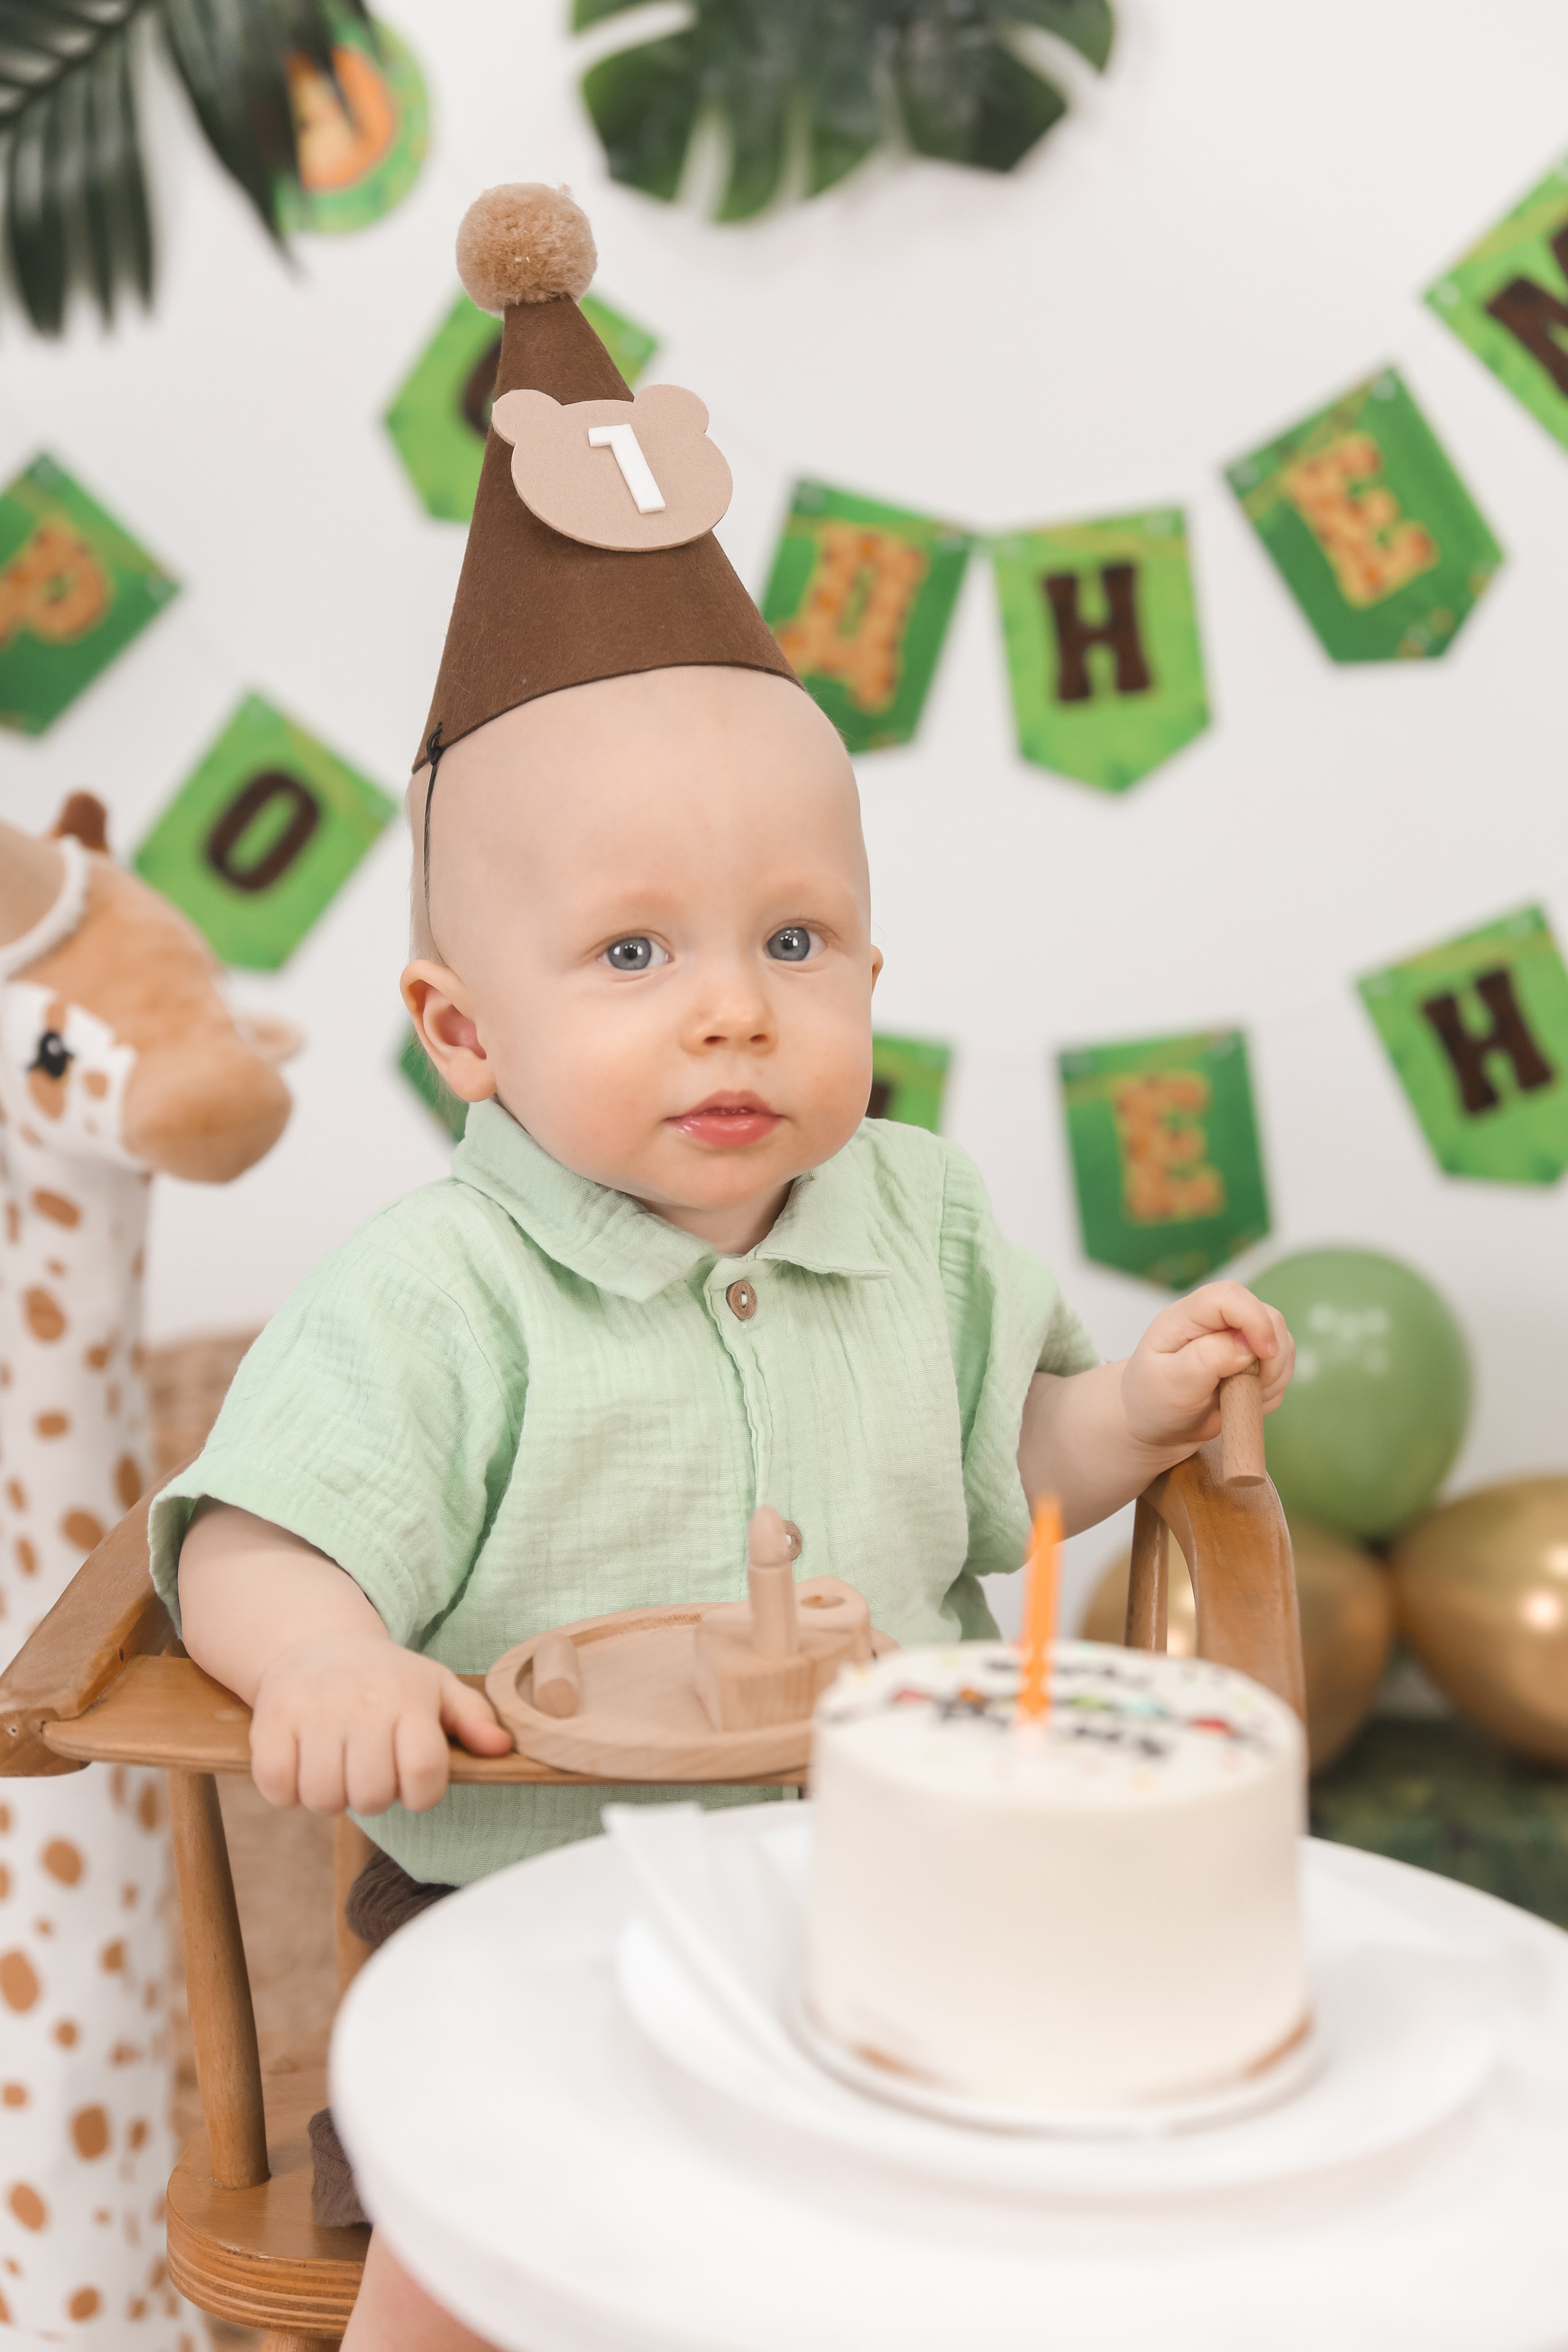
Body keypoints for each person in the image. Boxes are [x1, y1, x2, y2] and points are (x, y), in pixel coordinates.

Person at [149, 181, 1293, 2352]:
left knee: (999, 2209)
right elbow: (253, 1535)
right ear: (464, 1030)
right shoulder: (439, 1292)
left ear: (873, 963)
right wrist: (323, 1660)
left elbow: (1006, 1468)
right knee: (483, 2237)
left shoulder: (929, 1218)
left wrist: (1128, 1413)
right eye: (635, 952)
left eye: (792, 940)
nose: (733, 1009)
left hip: (882, 1901)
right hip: (523, 1933)